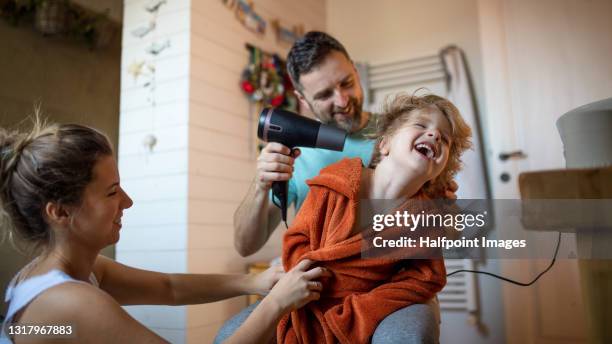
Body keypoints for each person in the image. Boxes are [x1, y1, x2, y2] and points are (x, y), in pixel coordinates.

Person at [0, 118, 329, 344]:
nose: (127, 202)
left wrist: (253, 282)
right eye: (112, 192)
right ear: (59, 212)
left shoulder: (76, 272)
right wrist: (277, 304)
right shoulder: (69, 303)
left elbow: (169, 287)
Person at [222, 31, 457, 343]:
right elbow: (245, 246)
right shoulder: (296, 153)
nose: (343, 100)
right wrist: (261, 184)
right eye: (324, 95)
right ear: (303, 100)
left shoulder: (401, 131)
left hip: (391, 284)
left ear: (356, 73)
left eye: (346, 83)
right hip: (319, 286)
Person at [278, 93, 472, 344]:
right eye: (421, 125)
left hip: (358, 306)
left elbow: (426, 277)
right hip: (309, 297)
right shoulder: (334, 181)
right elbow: (296, 240)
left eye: (444, 139)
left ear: (439, 171)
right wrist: (307, 282)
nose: (434, 135)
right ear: (385, 143)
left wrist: (362, 309)